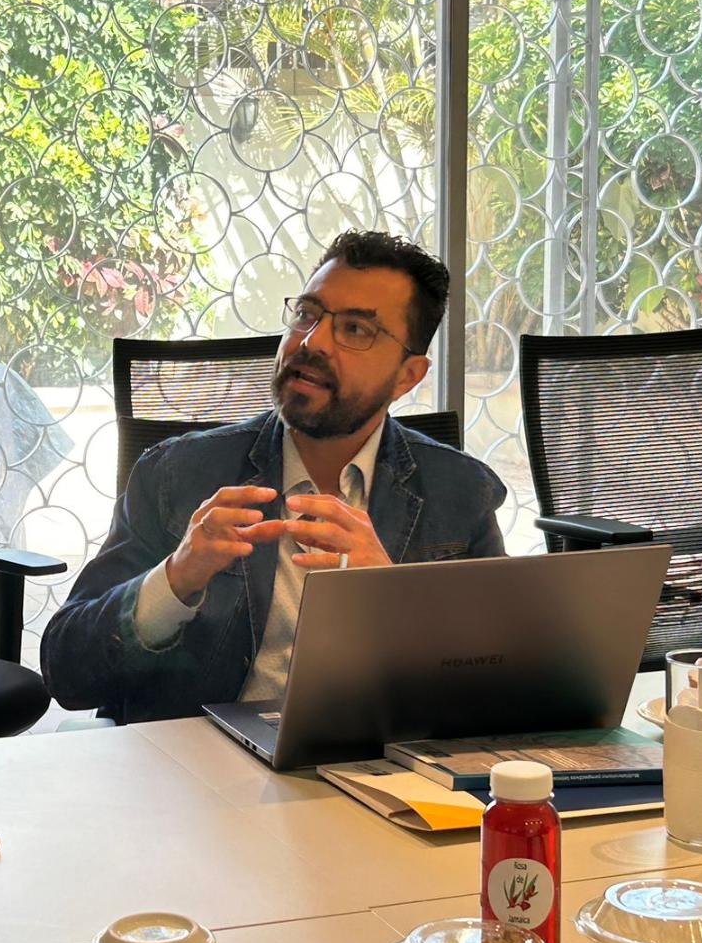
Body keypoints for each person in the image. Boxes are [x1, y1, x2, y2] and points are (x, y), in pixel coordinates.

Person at [43, 231, 507, 724]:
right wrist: (177, 578)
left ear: (408, 375)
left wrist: (395, 598)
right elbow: (67, 673)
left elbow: (504, 686)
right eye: (307, 314)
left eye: (355, 329)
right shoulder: (177, 475)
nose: (311, 342)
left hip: (377, 757)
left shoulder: (462, 493)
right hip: (197, 759)